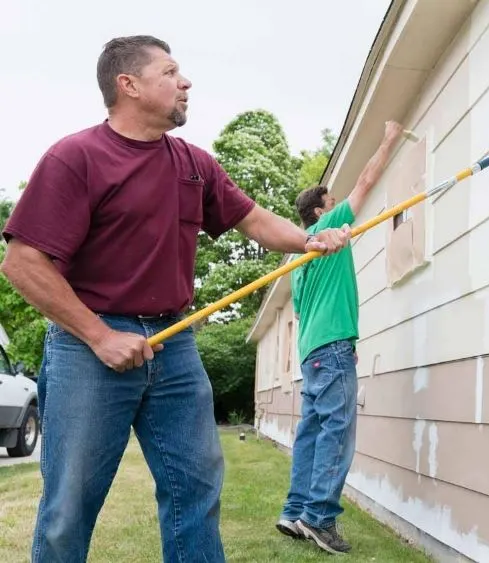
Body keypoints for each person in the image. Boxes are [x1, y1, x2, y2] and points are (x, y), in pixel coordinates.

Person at [0, 35, 351, 563]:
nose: (185, 82)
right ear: (129, 85)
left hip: (174, 345)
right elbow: (22, 263)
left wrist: (310, 239)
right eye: (170, 72)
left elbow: (253, 220)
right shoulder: (77, 158)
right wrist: (99, 336)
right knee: (69, 503)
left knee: (197, 486)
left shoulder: (193, 163)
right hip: (87, 346)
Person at [275, 120, 403, 554]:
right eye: (332, 202)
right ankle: (319, 518)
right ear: (319, 213)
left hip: (311, 353)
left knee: (311, 432)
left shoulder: (299, 261)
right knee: (337, 431)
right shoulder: (328, 225)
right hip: (332, 350)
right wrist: (389, 138)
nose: (340, 206)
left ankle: (294, 512)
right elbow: (366, 182)